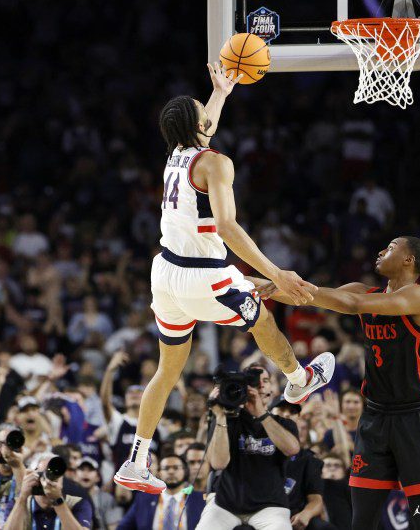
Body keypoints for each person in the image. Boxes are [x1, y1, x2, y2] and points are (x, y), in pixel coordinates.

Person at [114, 63, 334, 494]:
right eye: (204, 111)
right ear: (198, 125)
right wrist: (276, 273)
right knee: (264, 318)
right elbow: (229, 227)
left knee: (167, 370)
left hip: (165, 273)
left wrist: (222, 92)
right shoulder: (216, 163)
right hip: (204, 276)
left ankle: (136, 460)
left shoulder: (176, 157)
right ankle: (298, 380)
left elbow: (202, 130)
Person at [260, 236, 420, 529]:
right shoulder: (365, 290)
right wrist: (246, 283)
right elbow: (307, 296)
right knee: (362, 520)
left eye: (392, 247)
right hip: (374, 417)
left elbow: (353, 304)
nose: (382, 250)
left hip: (413, 416)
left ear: (410, 260)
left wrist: (286, 283)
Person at [195, 367, 300, 529]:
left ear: (272, 389)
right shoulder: (226, 419)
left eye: (265, 381)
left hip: (270, 506)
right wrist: (220, 416)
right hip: (226, 504)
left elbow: (292, 449)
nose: (260, 386)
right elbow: (218, 463)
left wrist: (260, 414)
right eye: (252, 382)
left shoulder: (285, 424)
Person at [2, 453, 93, 530]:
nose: (48, 480)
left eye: (55, 476)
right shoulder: (16, 503)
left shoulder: (78, 504)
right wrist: (23, 497)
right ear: (32, 475)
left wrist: (57, 501)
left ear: (62, 480)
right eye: (43, 474)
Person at [116, 455, 204, 530]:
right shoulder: (143, 499)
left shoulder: (200, 500)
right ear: (159, 473)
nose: (171, 472)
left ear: (185, 472)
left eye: (176, 468)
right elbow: (123, 527)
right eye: (166, 468)